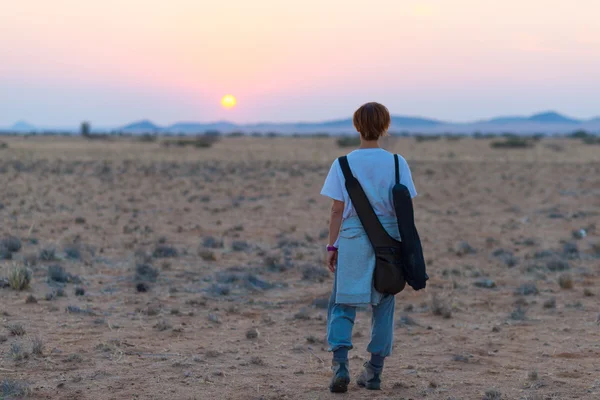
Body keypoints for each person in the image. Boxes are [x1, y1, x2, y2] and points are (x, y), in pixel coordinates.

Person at [320, 102, 418, 393]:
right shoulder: (398, 163)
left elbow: (337, 209)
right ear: (385, 126)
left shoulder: (343, 164)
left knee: (342, 303)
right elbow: (406, 207)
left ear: (356, 126)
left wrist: (332, 245)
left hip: (351, 239)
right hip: (389, 241)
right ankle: (374, 371)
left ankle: (340, 366)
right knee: (385, 303)